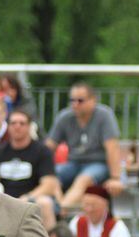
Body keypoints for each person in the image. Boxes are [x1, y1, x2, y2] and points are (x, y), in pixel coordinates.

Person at [45, 82, 124, 210]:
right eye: (72, 100)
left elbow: (112, 148)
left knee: (83, 179)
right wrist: (42, 170)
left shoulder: (104, 115)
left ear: (93, 100)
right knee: (51, 176)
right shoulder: (65, 116)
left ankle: (60, 209)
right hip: (73, 163)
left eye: (80, 100)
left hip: (99, 163)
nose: (75, 104)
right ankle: (58, 207)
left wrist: (116, 178)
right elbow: (49, 147)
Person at [0, 108, 60, 230]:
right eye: (13, 123)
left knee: (45, 203)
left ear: (29, 126)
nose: (17, 127)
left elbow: (49, 185)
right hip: (5, 201)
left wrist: (27, 198)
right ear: (8, 126)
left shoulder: (42, 151)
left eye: (22, 123)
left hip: (33, 200)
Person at [67, 184, 131, 237]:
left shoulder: (118, 228)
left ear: (105, 205)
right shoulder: (76, 222)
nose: (89, 209)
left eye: (94, 205)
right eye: (86, 204)